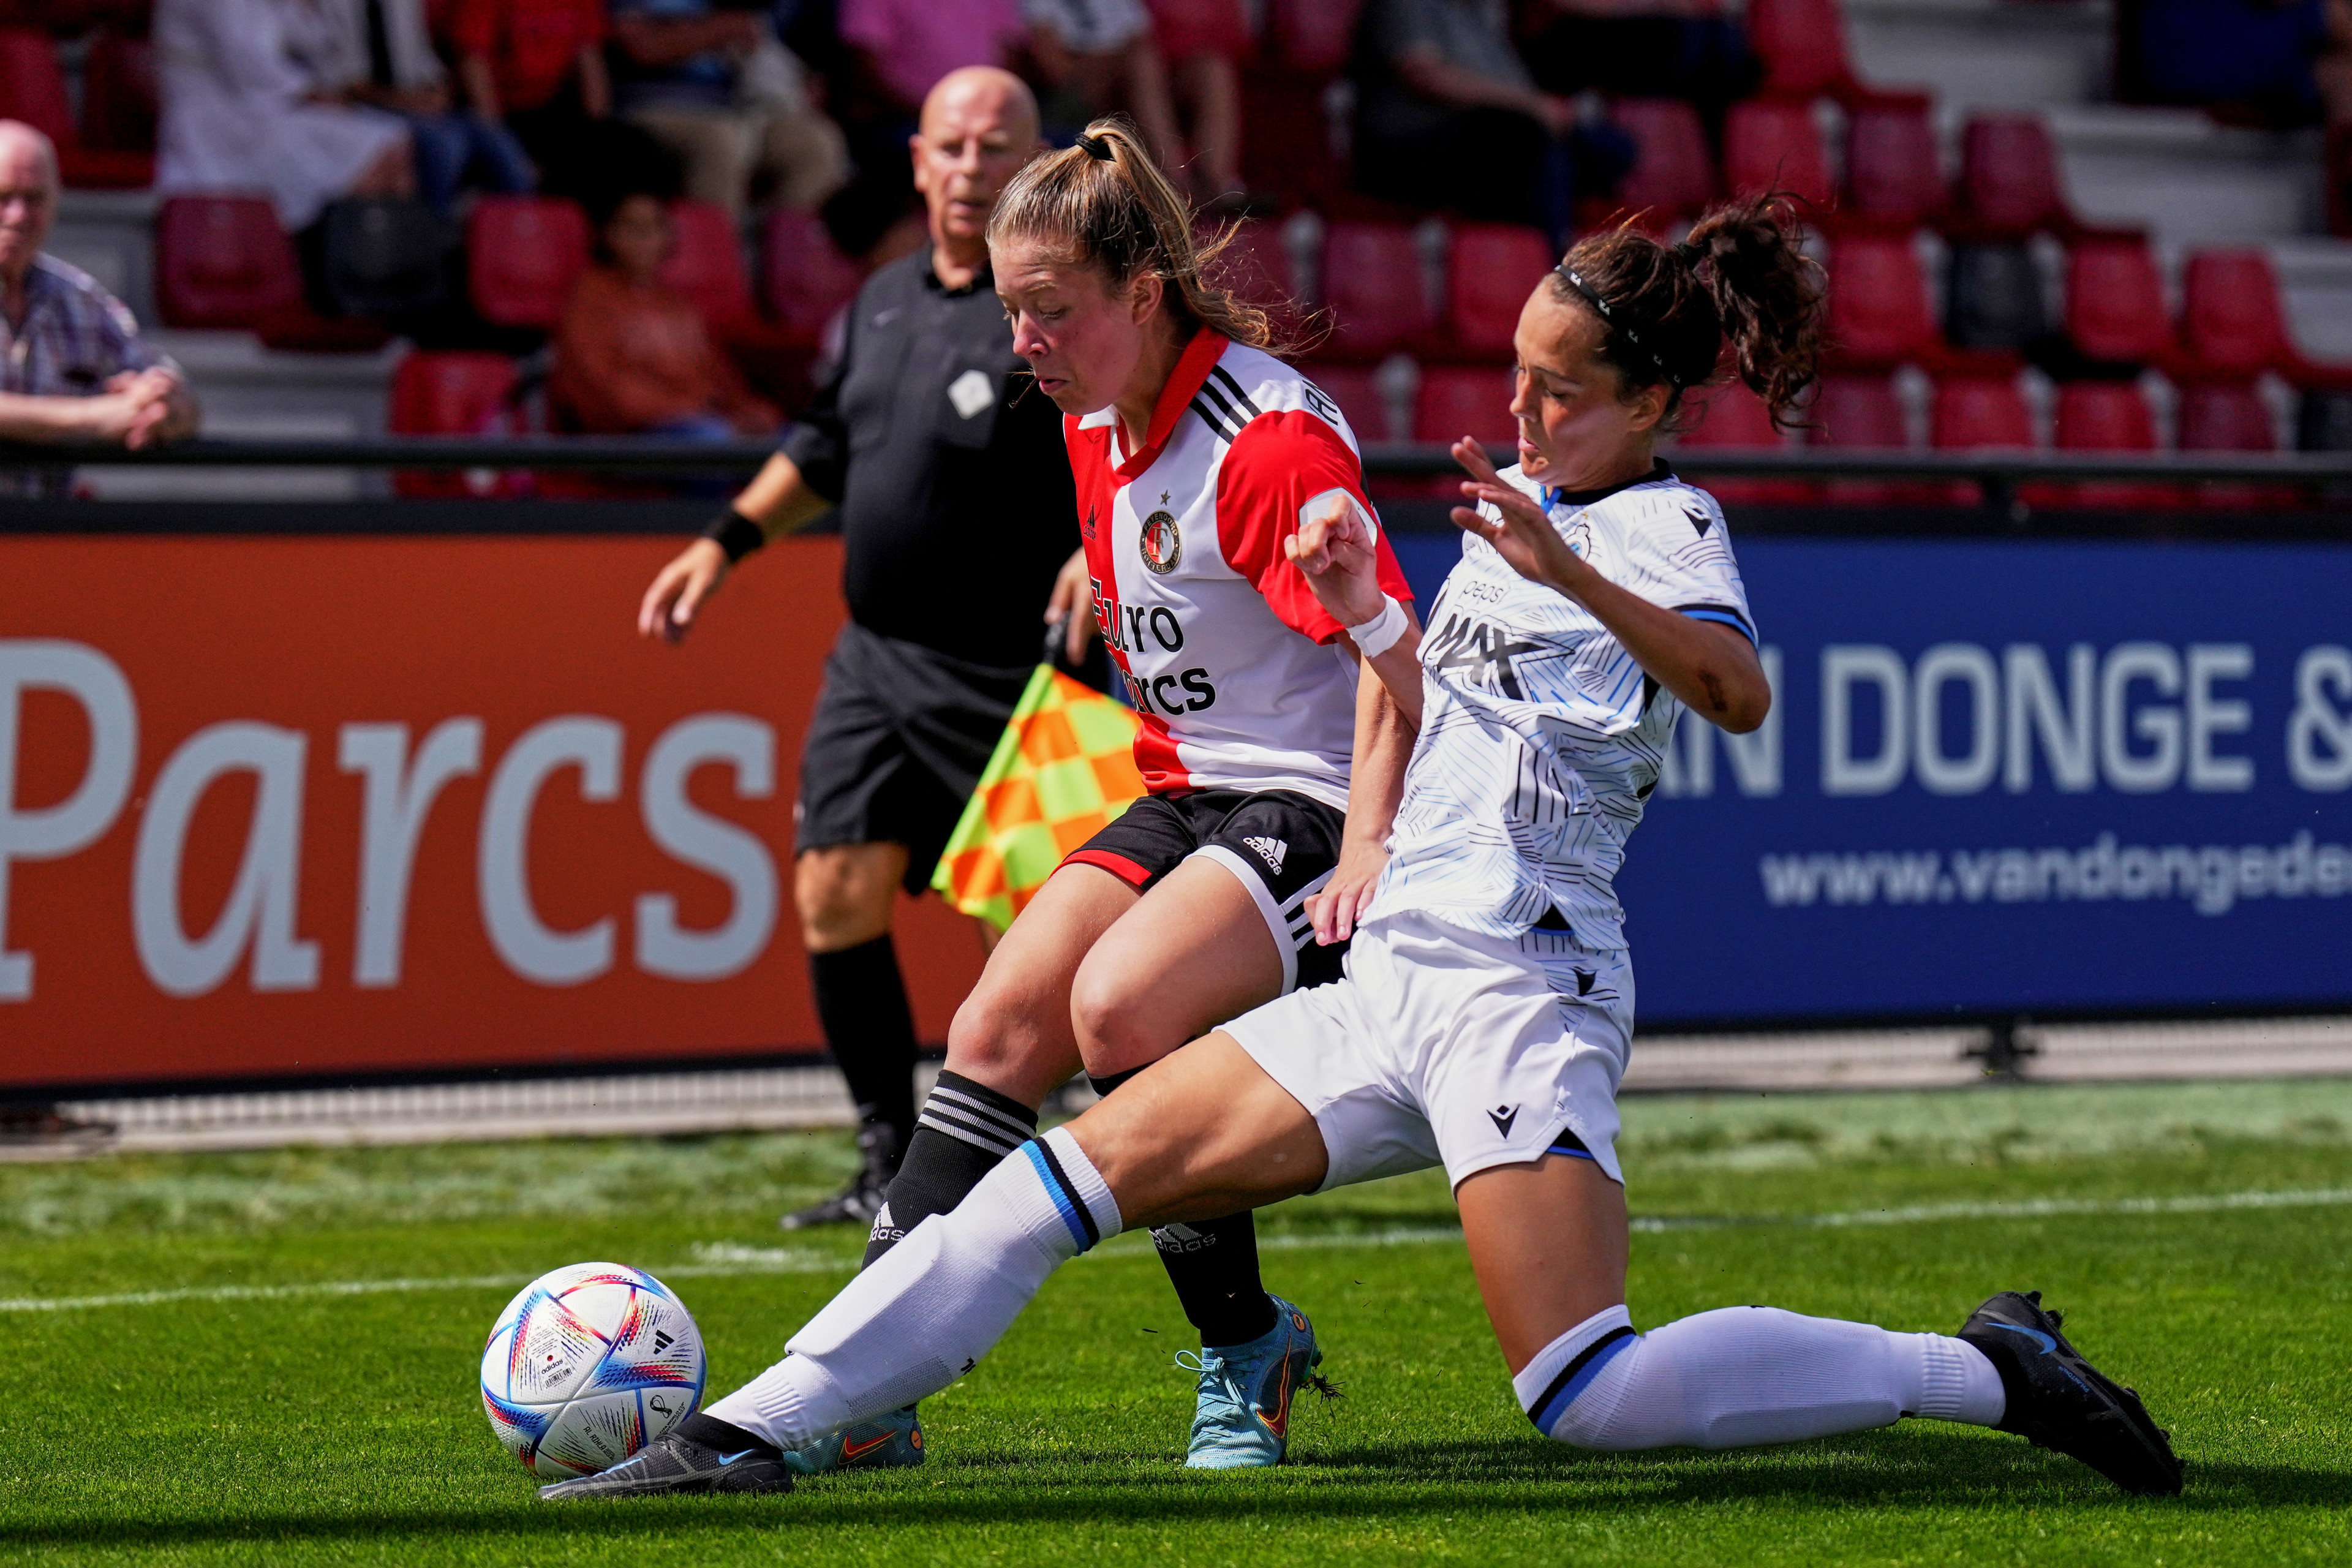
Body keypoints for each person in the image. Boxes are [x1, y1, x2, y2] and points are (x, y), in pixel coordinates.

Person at [546, 196, 2187, 1502]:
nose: (1522, 411)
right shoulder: (1512, 518)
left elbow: (1735, 691)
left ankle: (1984, 1370)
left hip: (1519, 994)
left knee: (1585, 1390)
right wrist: (1367, 725)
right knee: (1054, 1183)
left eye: (1562, 391)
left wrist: (1566, 567)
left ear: (1653, 406)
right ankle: (750, 1431)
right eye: (1518, 375)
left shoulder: (1662, 525)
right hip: (1388, 979)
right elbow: (1415, 694)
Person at [786, 118, 1419, 1474]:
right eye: (1011, 310)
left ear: (1142, 293)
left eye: (1049, 310)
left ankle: (1244, 1349)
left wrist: (1370, 840)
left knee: (1120, 1006)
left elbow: (1393, 662)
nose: (1023, 341)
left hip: (1311, 800)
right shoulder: (1092, 411)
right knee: (996, 1023)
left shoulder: (1267, 446)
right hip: (1184, 788)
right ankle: (862, 1380)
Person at [636, 67, 1080, 1241]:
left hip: (1026, 677)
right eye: (952, 146)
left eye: (997, 146)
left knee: (1039, 951)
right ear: (919, 163)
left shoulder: (1062, 304)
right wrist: (724, 544)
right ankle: (885, 1157)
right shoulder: (882, 298)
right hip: (877, 659)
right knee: (831, 891)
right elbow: (828, 440)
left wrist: (1102, 547)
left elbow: (1132, 432)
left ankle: (1053, 1162)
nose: (972, 167)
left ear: (1038, 165)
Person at [0, 122, 200, 494]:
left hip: (50, 526)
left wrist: (165, 407)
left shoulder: (78, 297)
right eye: (4, 196)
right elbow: (101, 417)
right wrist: (92, 417)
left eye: (35, 198)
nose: (18, 215)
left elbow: (173, 389)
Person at [1352, 0, 1632, 249]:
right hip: (1414, 148)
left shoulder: (1477, 13)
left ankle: (1553, 256)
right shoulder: (1408, 5)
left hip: (1491, 138)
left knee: (1609, 149)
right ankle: (1547, 261)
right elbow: (1422, 73)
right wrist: (1531, 105)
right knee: (1532, 142)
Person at [154, 0, 417, 232]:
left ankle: (383, 258)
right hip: (218, 119)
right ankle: (333, 257)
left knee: (395, 137)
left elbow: (315, 39)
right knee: (379, 151)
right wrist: (312, 93)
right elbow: (247, 61)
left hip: (265, 105)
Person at [549, 190, 782, 438]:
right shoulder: (589, 299)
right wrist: (688, 409)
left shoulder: (679, 303)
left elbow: (717, 375)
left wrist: (747, 411)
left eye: (656, 226)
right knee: (714, 438)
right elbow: (601, 388)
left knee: (795, 445)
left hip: (701, 420)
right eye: (633, 227)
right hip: (634, 435)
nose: (646, 237)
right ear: (606, 234)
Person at [608, 0, 853, 219]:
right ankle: (717, 251)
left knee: (817, 141)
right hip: (652, 108)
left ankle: (787, 251)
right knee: (721, 140)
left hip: (733, 110)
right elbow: (639, 47)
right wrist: (720, 29)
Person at [311, 0, 535, 216]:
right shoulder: (334, 5)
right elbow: (345, 83)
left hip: (419, 103)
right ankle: (436, 226)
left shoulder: (405, 4)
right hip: (369, 109)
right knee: (446, 146)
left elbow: (426, 63)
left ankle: (523, 229)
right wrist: (410, 102)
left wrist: (438, 91)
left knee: (500, 145)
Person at [445, 0, 620, 202]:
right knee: (515, 167)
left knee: (614, 154)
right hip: (505, 113)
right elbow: (473, 62)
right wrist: (498, 135)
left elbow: (590, 58)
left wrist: (598, 132)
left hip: (558, 108)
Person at [1020, 0, 1183, 173]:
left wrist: (1109, 63)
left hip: (1119, 81)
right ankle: (1174, 177)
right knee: (1141, 70)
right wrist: (1109, 62)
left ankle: (1177, 174)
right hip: (1063, 95)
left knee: (1148, 67)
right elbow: (1056, 70)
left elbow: (1141, 40)